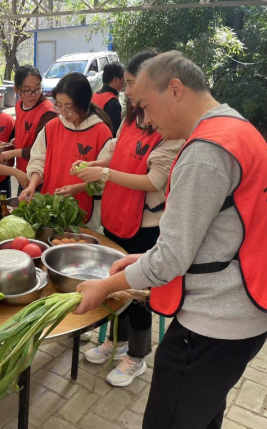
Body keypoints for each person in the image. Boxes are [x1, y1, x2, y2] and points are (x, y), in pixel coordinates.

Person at [74, 51, 267, 429]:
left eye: (144, 105)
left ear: (175, 89)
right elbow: (209, 235)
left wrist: (106, 286)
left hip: (213, 325)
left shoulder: (205, 152)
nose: (144, 120)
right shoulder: (235, 127)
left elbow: (172, 259)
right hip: (241, 318)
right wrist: (141, 259)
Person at [76, 50, 184, 387]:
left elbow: (154, 182)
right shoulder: (129, 118)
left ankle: (137, 356)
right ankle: (116, 342)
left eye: (134, 84)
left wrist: (106, 173)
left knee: (137, 292)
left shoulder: (170, 127)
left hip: (145, 226)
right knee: (115, 285)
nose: (128, 91)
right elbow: (116, 151)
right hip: (116, 215)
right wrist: (91, 170)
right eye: (128, 83)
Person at [19, 72, 113, 229]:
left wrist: (78, 188)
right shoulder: (51, 127)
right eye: (59, 105)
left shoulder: (101, 132)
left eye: (69, 107)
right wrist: (32, 185)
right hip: (50, 210)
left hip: (84, 214)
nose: (63, 112)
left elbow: (104, 176)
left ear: (83, 103)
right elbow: (38, 160)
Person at [0, 65, 57, 194]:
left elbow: (41, 151)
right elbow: (25, 131)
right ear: (17, 89)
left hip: (39, 179)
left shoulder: (48, 113)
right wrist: (17, 140)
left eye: (37, 89)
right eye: (27, 90)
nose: (33, 95)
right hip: (23, 173)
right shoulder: (20, 105)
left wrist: (11, 153)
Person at [91, 61, 124, 137]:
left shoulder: (95, 95)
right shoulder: (112, 102)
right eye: (123, 79)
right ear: (116, 80)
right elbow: (115, 133)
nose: (124, 82)